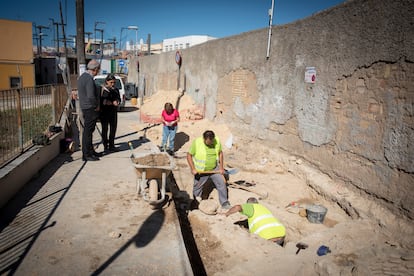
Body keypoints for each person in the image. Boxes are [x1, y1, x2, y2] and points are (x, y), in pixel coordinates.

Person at [187, 130, 231, 209]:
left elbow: (220, 153)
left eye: (211, 142)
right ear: (204, 139)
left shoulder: (216, 140)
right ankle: (195, 203)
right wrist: (193, 168)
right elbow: (189, 155)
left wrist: (221, 168)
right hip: (201, 171)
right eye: (208, 143)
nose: (210, 144)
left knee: (221, 183)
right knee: (197, 188)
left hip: (214, 169)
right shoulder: (197, 142)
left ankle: (224, 202)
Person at [77, 59, 101, 161]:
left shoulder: (82, 77)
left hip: (85, 107)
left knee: (89, 131)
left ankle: (91, 151)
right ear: (95, 69)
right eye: (98, 69)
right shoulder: (89, 79)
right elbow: (91, 96)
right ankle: (86, 154)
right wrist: (96, 105)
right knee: (88, 132)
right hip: (90, 108)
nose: (98, 71)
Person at [99, 74, 121, 152]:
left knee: (113, 129)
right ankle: (105, 145)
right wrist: (111, 102)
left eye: (114, 82)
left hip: (113, 112)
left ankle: (112, 145)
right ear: (107, 82)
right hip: (104, 113)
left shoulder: (116, 90)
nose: (113, 84)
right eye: (111, 82)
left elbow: (119, 99)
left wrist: (117, 102)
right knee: (105, 129)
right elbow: (103, 101)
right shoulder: (104, 90)